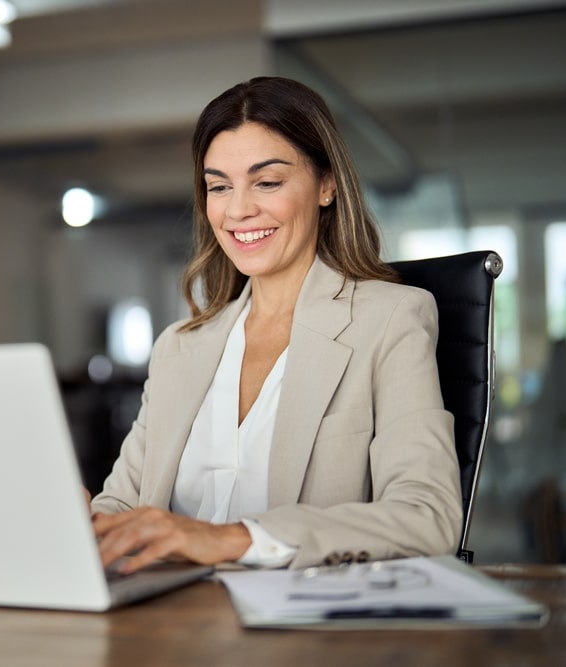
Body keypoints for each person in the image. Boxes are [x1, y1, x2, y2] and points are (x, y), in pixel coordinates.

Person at [90, 76, 462, 573]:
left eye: (267, 182)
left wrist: (233, 540)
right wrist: (80, 521)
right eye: (219, 186)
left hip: (302, 633)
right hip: (171, 624)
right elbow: (121, 509)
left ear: (326, 185)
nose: (239, 209)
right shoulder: (179, 347)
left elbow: (427, 517)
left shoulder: (391, 320)